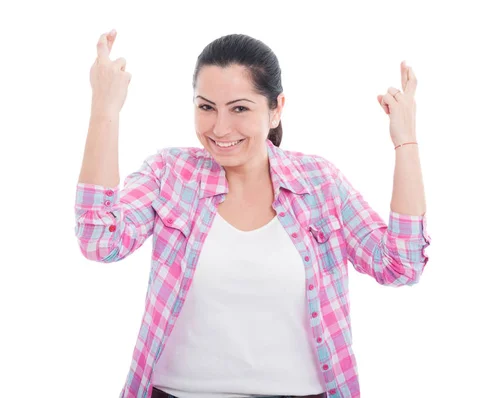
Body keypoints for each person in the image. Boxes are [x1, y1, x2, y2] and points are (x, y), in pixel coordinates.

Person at [75, 29, 431, 398]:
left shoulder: (319, 183)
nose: (220, 128)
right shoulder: (170, 174)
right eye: (206, 107)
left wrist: (406, 141)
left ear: (276, 109)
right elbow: (99, 241)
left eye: (240, 108)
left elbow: (402, 264)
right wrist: (105, 108)